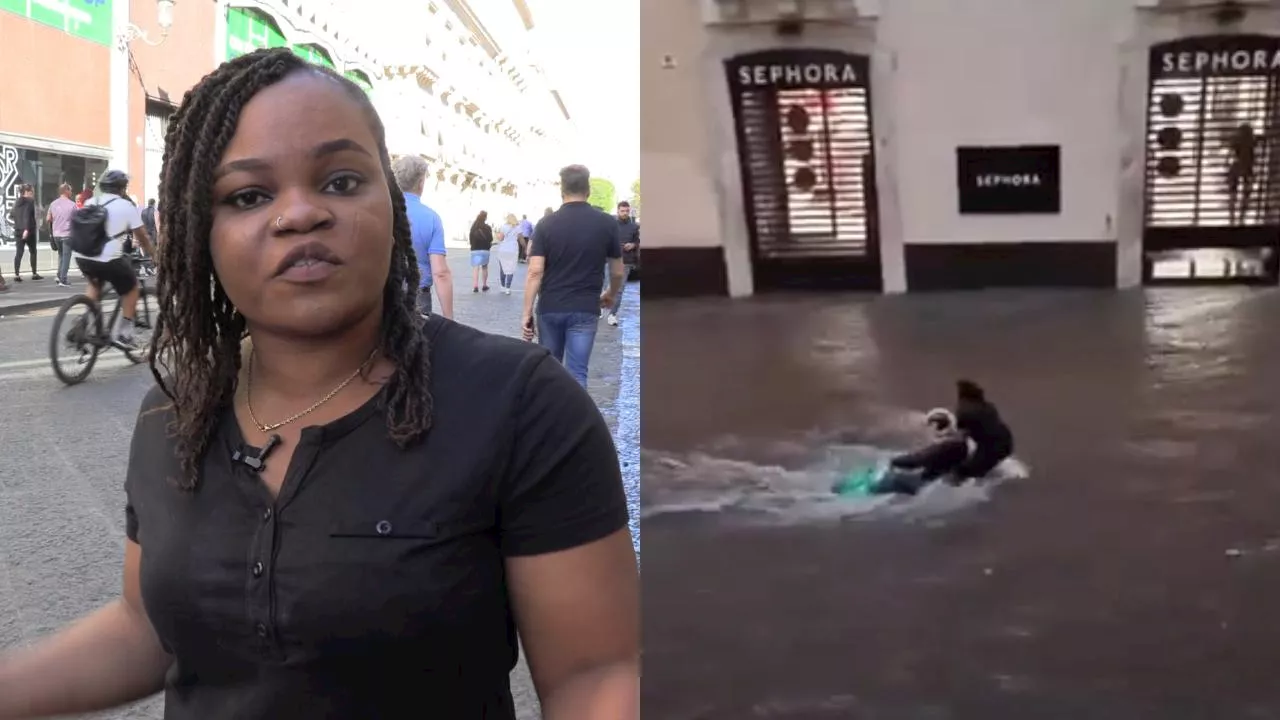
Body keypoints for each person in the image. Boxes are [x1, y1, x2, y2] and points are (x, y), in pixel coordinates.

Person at [0, 48, 638, 720]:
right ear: (199, 233)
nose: (299, 214)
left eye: (339, 181)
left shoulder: (522, 405)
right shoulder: (176, 410)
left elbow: (596, 674)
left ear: (390, 205)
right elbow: (148, 627)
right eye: (248, 195)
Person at [522, 164, 625, 388]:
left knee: (550, 372)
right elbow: (617, 271)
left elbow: (535, 271)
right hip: (585, 307)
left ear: (562, 191)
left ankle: (550, 421)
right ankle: (576, 422)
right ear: (587, 190)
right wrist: (611, 293)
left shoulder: (546, 224)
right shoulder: (607, 223)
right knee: (578, 373)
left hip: (550, 307)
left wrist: (526, 312)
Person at [69, 170, 154, 351]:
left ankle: (83, 322)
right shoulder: (126, 206)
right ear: (122, 189)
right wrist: (155, 255)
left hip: (83, 256)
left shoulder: (90, 202)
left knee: (95, 283)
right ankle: (125, 334)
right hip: (108, 259)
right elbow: (143, 238)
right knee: (131, 288)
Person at [391, 155, 453, 318]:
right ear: (421, 182)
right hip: (417, 296)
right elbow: (440, 273)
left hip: (383, 293)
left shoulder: (380, 210)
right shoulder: (431, 218)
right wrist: (449, 319)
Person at [878, 408, 971, 495]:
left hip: (925, 485)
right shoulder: (960, 444)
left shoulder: (950, 445)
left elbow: (918, 460)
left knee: (886, 483)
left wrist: (894, 461)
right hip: (934, 481)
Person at [953, 379, 1014, 481]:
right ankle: (985, 474)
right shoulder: (987, 406)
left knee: (961, 472)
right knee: (973, 465)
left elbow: (958, 434)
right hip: (1005, 440)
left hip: (992, 447)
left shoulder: (965, 411)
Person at [606, 200, 640, 327]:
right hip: (609, 260)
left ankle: (612, 314)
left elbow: (637, 241)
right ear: (618, 211)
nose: (625, 213)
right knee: (607, 287)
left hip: (626, 261)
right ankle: (600, 307)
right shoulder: (611, 226)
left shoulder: (634, 227)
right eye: (622, 211)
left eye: (627, 211)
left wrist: (633, 244)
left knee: (619, 290)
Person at [46, 183, 77, 286]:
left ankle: (59, 275)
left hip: (56, 234)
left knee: (61, 255)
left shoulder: (53, 204)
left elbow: (48, 219)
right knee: (66, 257)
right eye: (70, 190)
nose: (71, 192)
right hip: (67, 234)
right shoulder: (72, 205)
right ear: (66, 191)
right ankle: (63, 279)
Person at [9, 184, 41, 282]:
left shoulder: (16, 202)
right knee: (33, 252)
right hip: (29, 231)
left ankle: (16, 274)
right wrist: (26, 229)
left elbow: (11, 215)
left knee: (19, 252)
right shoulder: (30, 201)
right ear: (26, 192)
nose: (33, 194)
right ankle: (34, 273)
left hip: (18, 230)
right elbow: (27, 214)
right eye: (31, 192)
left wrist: (19, 223)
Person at [494, 213, 521, 295]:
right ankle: (508, 288)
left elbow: (501, 238)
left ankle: (502, 286)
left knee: (503, 269)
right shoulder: (518, 228)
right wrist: (526, 247)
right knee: (510, 269)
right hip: (513, 250)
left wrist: (497, 235)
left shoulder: (503, 227)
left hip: (503, 250)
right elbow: (521, 239)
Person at [468, 210, 493, 292]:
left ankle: (475, 286)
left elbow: (470, 239)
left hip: (475, 249)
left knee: (476, 268)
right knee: (484, 267)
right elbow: (490, 239)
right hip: (485, 250)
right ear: (485, 218)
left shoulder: (473, 227)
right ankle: (484, 285)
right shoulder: (488, 228)